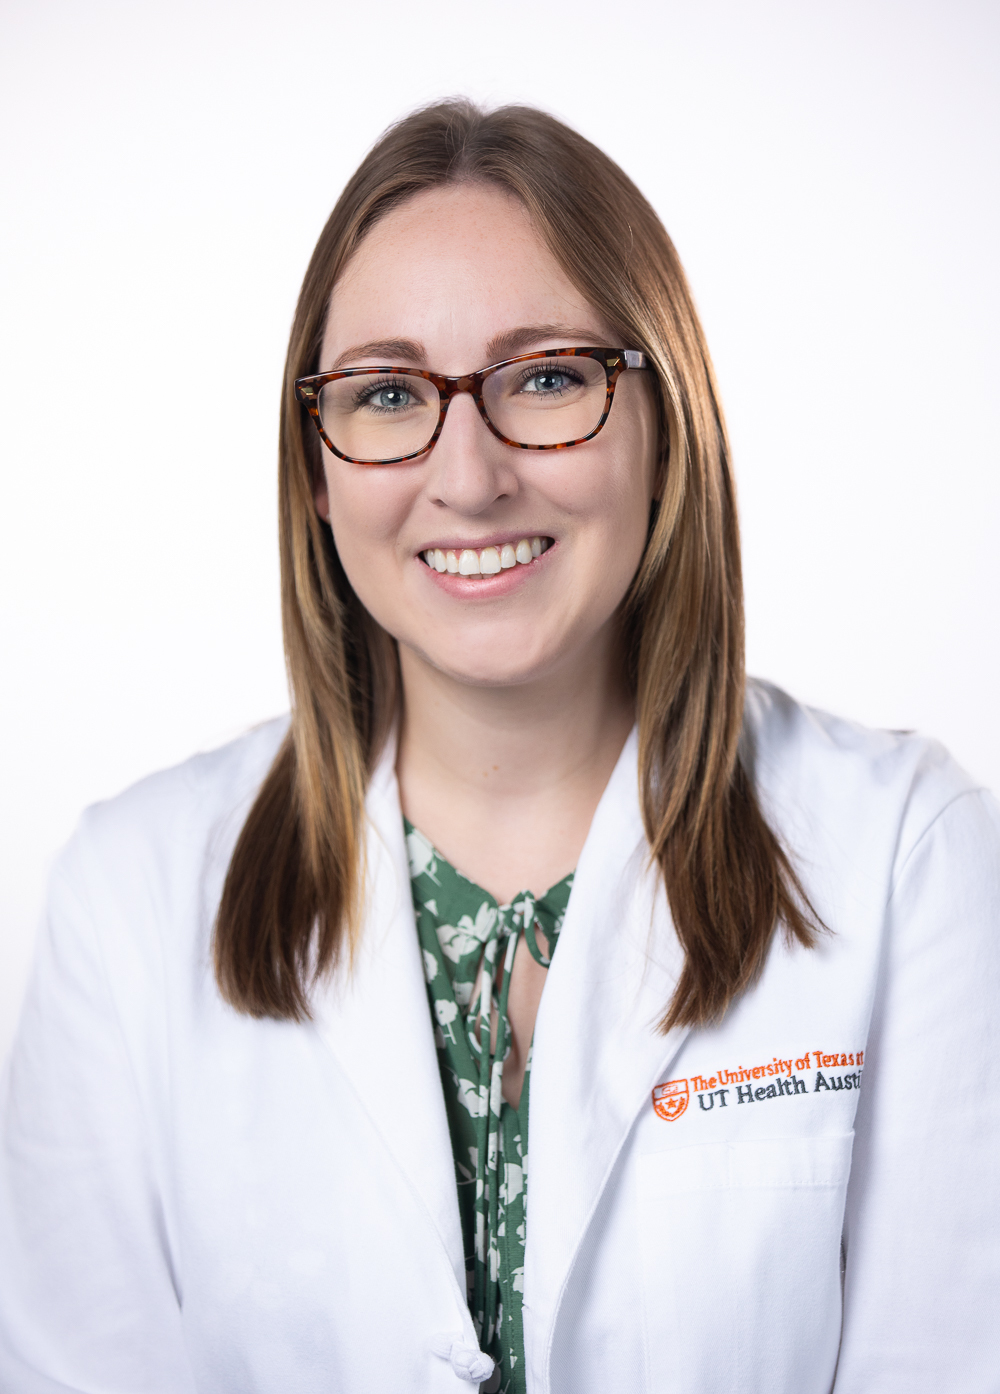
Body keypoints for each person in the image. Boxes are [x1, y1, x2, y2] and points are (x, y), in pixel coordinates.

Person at [0, 99, 997, 1394]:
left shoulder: (906, 857)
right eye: (387, 393)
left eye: (545, 378)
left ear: (666, 419)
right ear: (316, 464)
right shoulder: (127, 897)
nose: (466, 476)